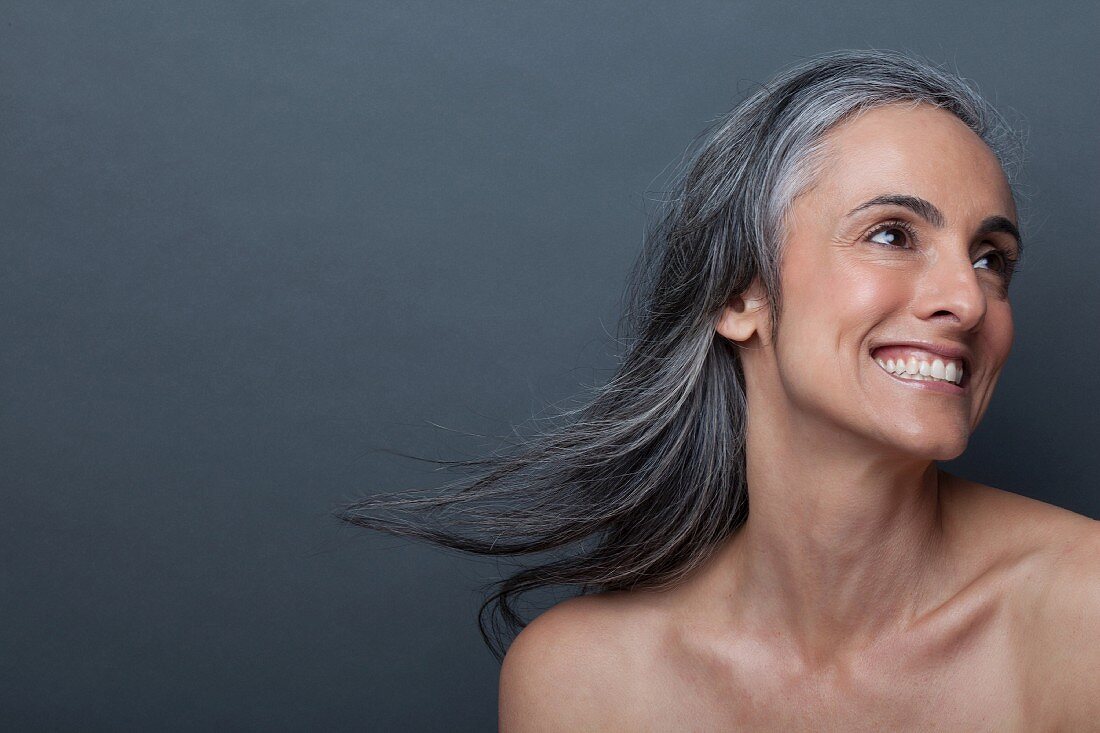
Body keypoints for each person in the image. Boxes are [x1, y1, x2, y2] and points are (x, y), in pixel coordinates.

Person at [341, 49, 1099, 729]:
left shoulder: (1084, 617)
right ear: (741, 295)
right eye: (893, 234)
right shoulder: (583, 683)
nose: (968, 300)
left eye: (991, 257)